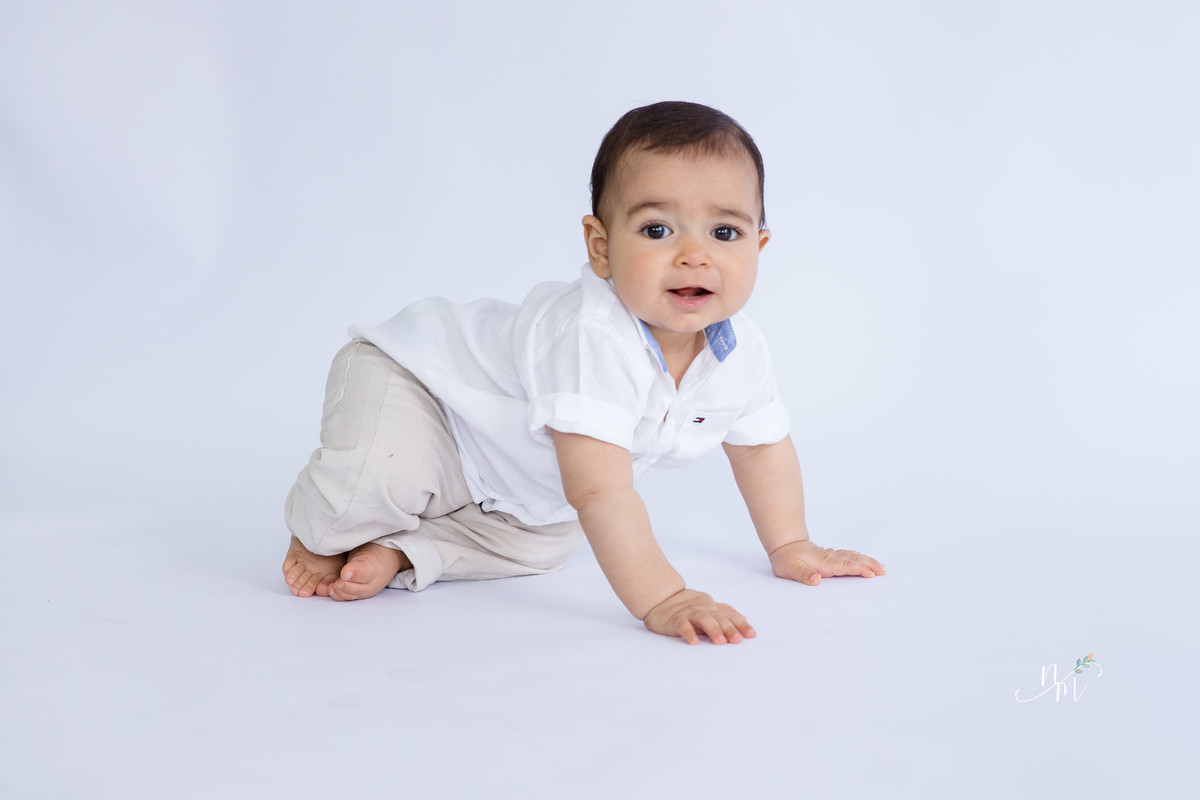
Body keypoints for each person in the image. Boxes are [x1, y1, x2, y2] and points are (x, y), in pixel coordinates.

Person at [281, 100, 885, 645]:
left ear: (759, 246)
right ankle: (324, 533)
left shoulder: (742, 351)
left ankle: (400, 550)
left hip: (510, 477)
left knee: (547, 544)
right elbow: (599, 488)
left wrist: (790, 544)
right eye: (656, 229)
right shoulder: (592, 335)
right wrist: (664, 597)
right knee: (375, 483)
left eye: (724, 231)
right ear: (600, 247)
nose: (694, 254)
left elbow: (762, 450)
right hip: (424, 393)